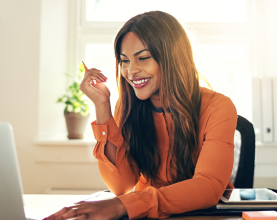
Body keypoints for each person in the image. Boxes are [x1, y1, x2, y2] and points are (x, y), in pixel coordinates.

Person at [45, 11, 237, 220]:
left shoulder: (218, 107)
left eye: (143, 58)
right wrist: (102, 107)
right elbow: (121, 186)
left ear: (173, 58)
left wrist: (124, 206)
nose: (130, 71)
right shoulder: (127, 107)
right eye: (124, 61)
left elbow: (208, 186)